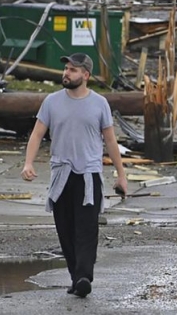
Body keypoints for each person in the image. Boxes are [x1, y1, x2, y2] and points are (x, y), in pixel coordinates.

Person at [21, 53, 128, 298]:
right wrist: (28, 163)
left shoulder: (100, 103)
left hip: (89, 176)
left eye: (72, 70)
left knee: (86, 229)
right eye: (66, 68)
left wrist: (121, 175)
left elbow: (110, 140)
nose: (66, 73)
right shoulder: (51, 101)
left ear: (86, 75)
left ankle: (83, 276)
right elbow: (37, 134)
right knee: (66, 230)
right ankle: (75, 276)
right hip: (61, 175)